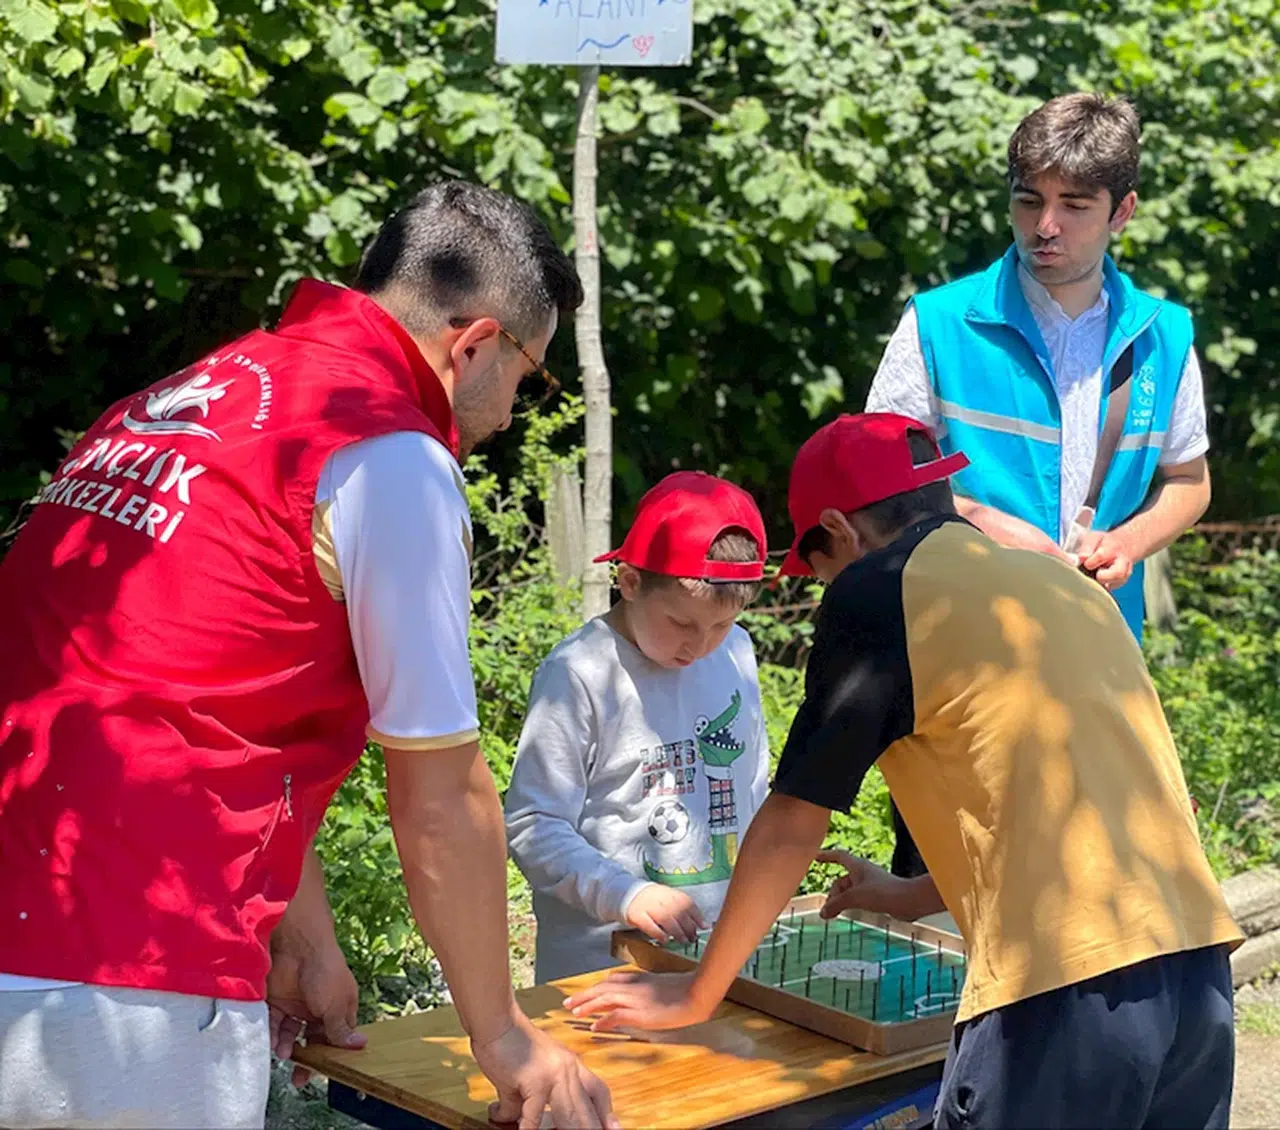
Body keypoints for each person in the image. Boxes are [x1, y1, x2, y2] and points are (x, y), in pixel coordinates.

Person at [0, 181, 616, 1130]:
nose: (507, 416)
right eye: (528, 378)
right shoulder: (387, 451)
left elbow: (212, 704)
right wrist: (504, 1036)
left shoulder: (171, 406)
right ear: (477, 343)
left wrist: (302, 941)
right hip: (129, 983)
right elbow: (439, 793)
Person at [565, 413, 1243, 1129]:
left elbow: (795, 817)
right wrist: (911, 893)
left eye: (818, 563)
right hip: (1197, 978)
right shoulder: (1060, 587)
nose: (827, 583)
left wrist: (697, 992)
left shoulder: (880, 589)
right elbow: (1088, 802)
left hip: (1062, 1002)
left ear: (840, 530)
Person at [866, 92, 1211, 643]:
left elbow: (1191, 483)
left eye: (1074, 206)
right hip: (957, 635)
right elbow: (874, 480)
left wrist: (1128, 544)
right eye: (1029, 200)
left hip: (1099, 639)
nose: (1046, 225)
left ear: (1122, 211)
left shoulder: (1163, 335)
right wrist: (978, 522)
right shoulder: (939, 322)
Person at [505, 472, 771, 984]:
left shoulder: (737, 652)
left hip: (720, 959)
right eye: (682, 624)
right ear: (629, 583)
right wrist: (626, 895)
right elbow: (533, 824)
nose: (700, 646)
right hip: (599, 968)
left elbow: (753, 789)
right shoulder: (579, 672)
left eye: (720, 625)